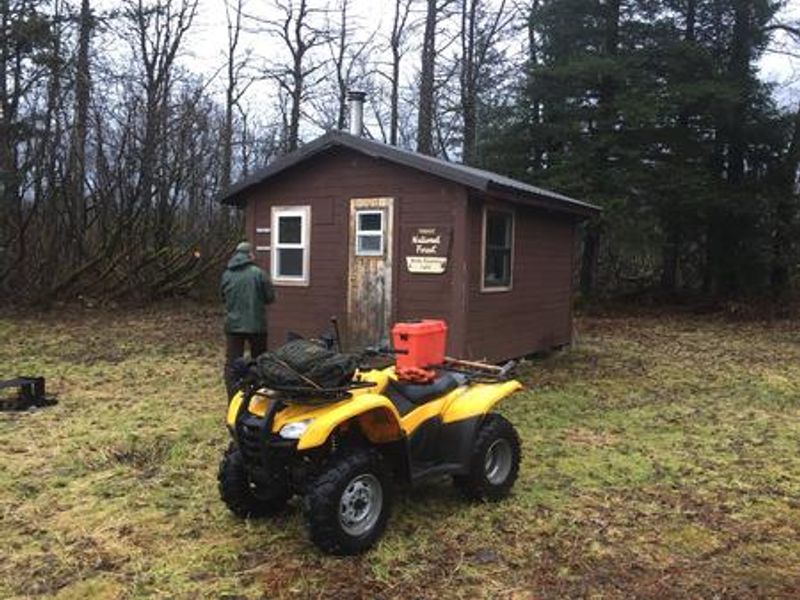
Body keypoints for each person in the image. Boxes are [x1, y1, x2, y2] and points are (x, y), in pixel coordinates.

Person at [221, 241, 275, 397]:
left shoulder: (226, 274)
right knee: (259, 360)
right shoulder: (259, 274)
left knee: (232, 363)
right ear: (249, 255)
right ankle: (257, 393)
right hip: (256, 325)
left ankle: (233, 396)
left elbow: (223, 297)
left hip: (233, 326)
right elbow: (270, 297)